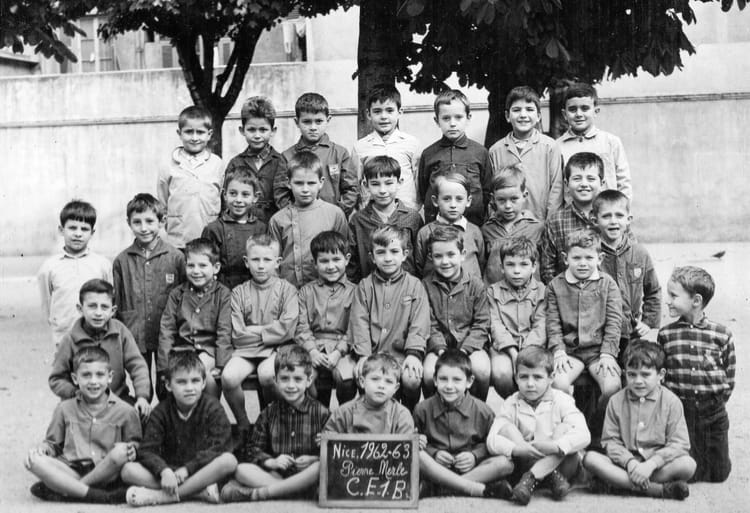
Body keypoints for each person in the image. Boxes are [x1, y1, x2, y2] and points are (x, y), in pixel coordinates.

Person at [25, 347, 141, 504]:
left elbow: (135, 444)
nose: (93, 381)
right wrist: (43, 449)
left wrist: (133, 449)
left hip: (107, 473)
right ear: (75, 378)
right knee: (33, 461)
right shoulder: (64, 409)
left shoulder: (126, 411)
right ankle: (96, 495)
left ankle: (70, 489)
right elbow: (52, 444)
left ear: (110, 377)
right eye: (86, 375)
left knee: (121, 452)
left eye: (100, 375)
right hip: (72, 470)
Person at [122, 351, 237, 506]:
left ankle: (163, 496)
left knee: (229, 461)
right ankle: (197, 491)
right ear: (168, 385)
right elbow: (147, 450)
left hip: (200, 470)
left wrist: (188, 469)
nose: (189, 388)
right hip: (171, 473)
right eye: (182, 382)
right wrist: (163, 470)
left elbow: (220, 447)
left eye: (195, 381)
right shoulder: (161, 412)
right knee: (128, 470)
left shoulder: (213, 408)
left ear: (204, 383)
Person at [583, 341, 696, 500]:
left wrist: (651, 464)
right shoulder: (616, 401)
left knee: (687, 465)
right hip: (624, 465)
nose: (638, 381)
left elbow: (679, 443)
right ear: (624, 373)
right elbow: (610, 441)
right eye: (632, 374)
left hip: (656, 466)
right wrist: (630, 462)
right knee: (590, 459)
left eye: (645, 374)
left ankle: (618, 484)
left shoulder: (672, 402)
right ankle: (656, 490)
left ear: (661, 374)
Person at [221, 345, 329, 502]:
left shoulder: (322, 413)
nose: (291, 385)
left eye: (298, 379)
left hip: (307, 474)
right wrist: (271, 461)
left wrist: (314, 459)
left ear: (309, 380)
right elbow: (253, 450)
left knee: (319, 468)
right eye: (284, 379)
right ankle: (294, 491)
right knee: (241, 469)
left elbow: (333, 450)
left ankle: (264, 493)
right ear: (276, 380)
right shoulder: (269, 413)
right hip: (276, 474)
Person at [487, 346, 591, 505]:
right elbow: (491, 440)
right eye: (524, 377)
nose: (530, 384)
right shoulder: (511, 403)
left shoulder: (561, 400)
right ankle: (549, 475)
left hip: (561, 466)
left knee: (564, 428)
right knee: (507, 429)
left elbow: (584, 434)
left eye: (537, 377)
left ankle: (533, 476)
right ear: (516, 377)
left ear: (551, 378)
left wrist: (556, 446)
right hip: (526, 461)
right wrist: (517, 448)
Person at [658, 266, 735, 482]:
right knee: (690, 472)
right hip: (682, 413)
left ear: (696, 300)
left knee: (718, 474)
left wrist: (716, 402)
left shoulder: (721, 335)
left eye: (674, 296)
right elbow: (662, 376)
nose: (668, 301)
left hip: (713, 412)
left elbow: (729, 375)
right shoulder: (666, 334)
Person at [546, 228, 622, 437]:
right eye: (576, 258)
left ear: (600, 259)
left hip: (598, 352)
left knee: (612, 386)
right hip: (570, 352)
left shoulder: (608, 284)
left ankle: (596, 427)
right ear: (565, 258)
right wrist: (558, 351)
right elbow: (553, 323)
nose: (582, 263)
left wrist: (608, 354)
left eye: (589, 258)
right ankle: (573, 426)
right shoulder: (555, 286)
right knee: (558, 383)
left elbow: (614, 322)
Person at [222, 234, 299, 437]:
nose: (261, 266)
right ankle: (243, 424)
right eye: (255, 259)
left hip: (277, 349)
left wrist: (255, 329)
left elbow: (287, 329)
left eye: (267, 259)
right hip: (246, 350)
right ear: (246, 262)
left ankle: (273, 421)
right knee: (229, 377)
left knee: (267, 374)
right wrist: (271, 329)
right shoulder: (238, 292)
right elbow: (238, 333)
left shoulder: (288, 290)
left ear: (278, 262)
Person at [349, 226, 430, 411]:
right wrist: (363, 355)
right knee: (365, 374)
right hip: (373, 353)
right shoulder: (364, 286)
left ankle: (409, 413)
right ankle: (371, 416)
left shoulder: (414, 285)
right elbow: (359, 322)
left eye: (394, 251)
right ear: (372, 257)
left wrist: (413, 354)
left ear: (405, 254)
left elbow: (419, 323)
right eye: (381, 252)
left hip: (402, 355)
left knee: (411, 378)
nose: (387, 258)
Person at [414, 349, 513, 499]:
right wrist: (433, 453)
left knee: (505, 463)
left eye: (456, 380)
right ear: (435, 380)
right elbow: (416, 441)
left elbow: (493, 444)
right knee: (416, 455)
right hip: (436, 468)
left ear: (469, 381)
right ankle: (470, 487)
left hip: (473, 469)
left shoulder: (483, 411)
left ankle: (439, 488)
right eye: (443, 379)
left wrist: (475, 456)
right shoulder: (422, 410)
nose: (449, 386)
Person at [113, 193, 185, 394]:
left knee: (167, 385)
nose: (143, 228)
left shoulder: (176, 257)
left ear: (162, 221)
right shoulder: (121, 261)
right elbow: (117, 300)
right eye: (137, 222)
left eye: (149, 221)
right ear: (129, 223)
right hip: (136, 332)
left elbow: (184, 298)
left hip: (167, 334)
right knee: (142, 385)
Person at [49, 279, 151, 420]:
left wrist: (142, 396)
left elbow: (137, 366)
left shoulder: (120, 332)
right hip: (81, 403)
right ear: (80, 308)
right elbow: (56, 378)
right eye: (92, 306)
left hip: (118, 398)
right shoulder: (70, 340)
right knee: (63, 420)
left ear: (112, 311)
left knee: (141, 418)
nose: (98, 313)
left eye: (104, 307)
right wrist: (75, 393)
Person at [421, 226, 491, 400]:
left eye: (451, 255)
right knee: (429, 373)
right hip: (439, 347)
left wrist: (466, 349)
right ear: (431, 257)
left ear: (462, 254)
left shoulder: (476, 285)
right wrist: (440, 349)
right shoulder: (425, 286)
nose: (445, 262)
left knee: (481, 369)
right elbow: (429, 323)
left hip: (470, 346)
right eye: (438, 256)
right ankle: (434, 410)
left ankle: (476, 407)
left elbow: (482, 323)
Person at [157, 238, 231, 400]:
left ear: (216, 268)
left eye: (202, 265)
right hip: (181, 351)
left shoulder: (223, 295)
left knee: (202, 373)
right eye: (191, 266)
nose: (196, 271)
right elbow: (167, 330)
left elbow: (224, 330)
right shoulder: (177, 294)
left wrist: (221, 364)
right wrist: (164, 365)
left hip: (209, 352)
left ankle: (210, 411)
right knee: (179, 377)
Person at [592, 190, 661, 359]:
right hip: (599, 333)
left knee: (634, 366)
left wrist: (648, 321)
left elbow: (653, 291)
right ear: (595, 220)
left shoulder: (640, 253)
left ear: (629, 219)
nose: (613, 221)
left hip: (630, 332)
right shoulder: (591, 255)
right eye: (606, 216)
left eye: (619, 215)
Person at [269, 151, 349, 288]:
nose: (305, 189)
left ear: (321, 182)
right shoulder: (278, 219)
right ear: (288, 183)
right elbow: (272, 261)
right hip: (288, 290)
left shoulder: (335, 214)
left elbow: (343, 254)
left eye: (311, 183)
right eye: (299, 183)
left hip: (325, 291)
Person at [295, 231, 358, 407]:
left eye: (336, 260)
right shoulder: (306, 292)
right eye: (324, 261)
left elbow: (356, 327)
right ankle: (318, 413)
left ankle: (343, 413)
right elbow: (301, 325)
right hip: (312, 347)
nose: (331, 266)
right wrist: (312, 351)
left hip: (343, 349)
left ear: (346, 259)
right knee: (304, 376)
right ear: (315, 264)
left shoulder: (356, 292)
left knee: (345, 377)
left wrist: (339, 352)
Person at [38, 200, 112, 347]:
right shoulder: (49, 267)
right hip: (64, 337)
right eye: (72, 228)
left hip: (96, 337)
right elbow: (47, 304)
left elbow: (109, 299)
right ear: (61, 230)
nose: (78, 234)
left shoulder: (102, 265)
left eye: (84, 229)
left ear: (92, 233)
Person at [488, 86, 563, 222]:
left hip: (541, 222)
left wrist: (550, 223)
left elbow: (556, 189)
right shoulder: (496, 150)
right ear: (507, 116)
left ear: (538, 116)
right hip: (507, 225)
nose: (523, 115)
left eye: (529, 109)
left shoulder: (550, 147)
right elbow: (492, 191)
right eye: (516, 110)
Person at [418, 89, 492, 226]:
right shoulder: (429, 154)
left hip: (472, 225)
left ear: (468, 118)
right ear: (437, 120)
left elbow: (487, 190)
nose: (452, 123)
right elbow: (424, 191)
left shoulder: (480, 152)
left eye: (458, 117)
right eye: (446, 118)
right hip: (438, 226)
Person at [347, 155, 423, 282]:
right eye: (375, 184)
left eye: (388, 183)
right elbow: (352, 263)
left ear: (399, 183)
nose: (382, 190)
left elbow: (420, 259)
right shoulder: (358, 220)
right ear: (366, 185)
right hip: (371, 288)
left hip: (406, 287)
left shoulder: (413, 218)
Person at [282, 92, 358, 217]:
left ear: (328, 120)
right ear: (297, 122)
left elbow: (351, 189)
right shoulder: (287, 156)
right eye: (307, 122)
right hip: (298, 220)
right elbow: (281, 194)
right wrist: (296, 216)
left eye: (318, 121)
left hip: (332, 219)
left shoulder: (340, 153)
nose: (313, 127)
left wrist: (337, 214)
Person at [487, 236, 546, 399]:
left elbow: (541, 326)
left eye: (524, 264)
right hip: (504, 349)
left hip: (534, 347)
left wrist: (525, 353)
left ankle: (532, 405)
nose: (517, 271)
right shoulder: (493, 292)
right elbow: (495, 325)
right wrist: (514, 354)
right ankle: (515, 403)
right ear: (502, 267)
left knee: (538, 372)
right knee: (501, 373)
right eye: (510, 265)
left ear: (534, 267)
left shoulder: (542, 291)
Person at [157, 106, 224, 249]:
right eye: (188, 132)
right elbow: (162, 203)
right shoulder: (168, 166)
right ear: (179, 133)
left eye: (200, 132)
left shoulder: (217, 164)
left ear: (209, 134)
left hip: (209, 241)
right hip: (177, 241)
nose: (194, 138)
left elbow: (222, 199)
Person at [556, 82, 632, 200]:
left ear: (596, 111)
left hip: (606, 209)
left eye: (585, 108)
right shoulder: (557, 147)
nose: (579, 114)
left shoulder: (611, 142)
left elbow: (624, 182)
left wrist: (622, 208)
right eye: (572, 109)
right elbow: (556, 187)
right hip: (571, 210)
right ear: (564, 114)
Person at [352, 84, 421, 210]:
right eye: (377, 111)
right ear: (368, 114)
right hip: (372, 213)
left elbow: (418, 181)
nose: (384, 116)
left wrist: (414, 208)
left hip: (405, 210)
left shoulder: (412, 144)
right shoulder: (360, 147)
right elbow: (356, 183)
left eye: (389, 110)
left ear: (400, 112)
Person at [541, 151, 603, 284]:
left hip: (605, 293)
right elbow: (547, 269)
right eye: (577, 178)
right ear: (566, 183)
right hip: (566, 293)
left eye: (591, 179)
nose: (584, 184)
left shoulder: (610, 219)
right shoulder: (556, 222)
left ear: (602, 183)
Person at [224, 96, 287, 224]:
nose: (257, 136)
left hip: (274, 225)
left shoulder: (281, 161)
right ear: (242, 130)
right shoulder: (235, 163)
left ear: (273, 131)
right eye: (251, 130)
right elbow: (226, 200)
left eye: (263, 130)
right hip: (242, 225)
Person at [201, 170, 267, 289]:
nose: (238, 200)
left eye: (245, 194)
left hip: (254, 288)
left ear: (255, 197)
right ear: (224, 194)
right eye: (233, 193)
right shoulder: (214, 229)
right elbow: (206, 266)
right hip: (223, 290)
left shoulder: (261, 228)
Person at [415, 172, 485, 279]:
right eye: (446, 199)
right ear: (435, 201)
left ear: (468, 201)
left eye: (459, 199)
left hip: (469, 288)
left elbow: (481, 263)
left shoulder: (474, 231)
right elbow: (419, 267)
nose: (453, 205)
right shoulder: (425, 233)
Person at [323, 352, 414, 434]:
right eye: (375, 379)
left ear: (396, 388)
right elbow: (329, 437)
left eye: (388, 381)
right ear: (362, 382)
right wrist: (326, 438)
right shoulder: (344, 413)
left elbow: (407, 444)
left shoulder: (401, 416)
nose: (381, 386)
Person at [482, 166, 543, 285]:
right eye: (501, 200)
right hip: (495, 293)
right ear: (493, 199)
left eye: (514, 199)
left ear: (524, 196)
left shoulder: (536, 228)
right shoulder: (487, 230)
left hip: (529, 294)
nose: (508, 206)